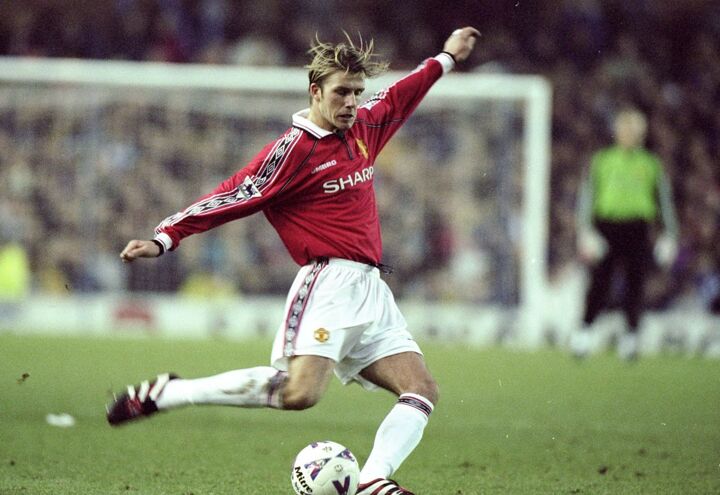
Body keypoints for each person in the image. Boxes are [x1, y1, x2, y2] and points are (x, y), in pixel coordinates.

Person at [107, 27, 480, 494]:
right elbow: (235, 194)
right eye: (341, 92)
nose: (351, 102)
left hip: (371, 288)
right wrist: (165, 237)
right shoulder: (294, 151)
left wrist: (446, 57)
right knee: (299, 393)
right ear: (315, 91)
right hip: (327, 283)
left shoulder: (364, 127)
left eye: (357, 92)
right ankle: (172, 392)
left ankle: (372, 480)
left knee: (421, 389)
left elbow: (403, 94)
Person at [572, 108, 678, 360]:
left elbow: (664, 201)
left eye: (632, 129)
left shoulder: (650, 164)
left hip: (637, 228)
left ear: (641, 133)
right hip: (607, 227)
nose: (627, 134)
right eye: (624, 128)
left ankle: (630, 337)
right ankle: (584, 333)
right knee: (599, 283)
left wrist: (670, 233)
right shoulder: (603, 160)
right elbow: (587, 195)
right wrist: (584, 229)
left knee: (635, 284)